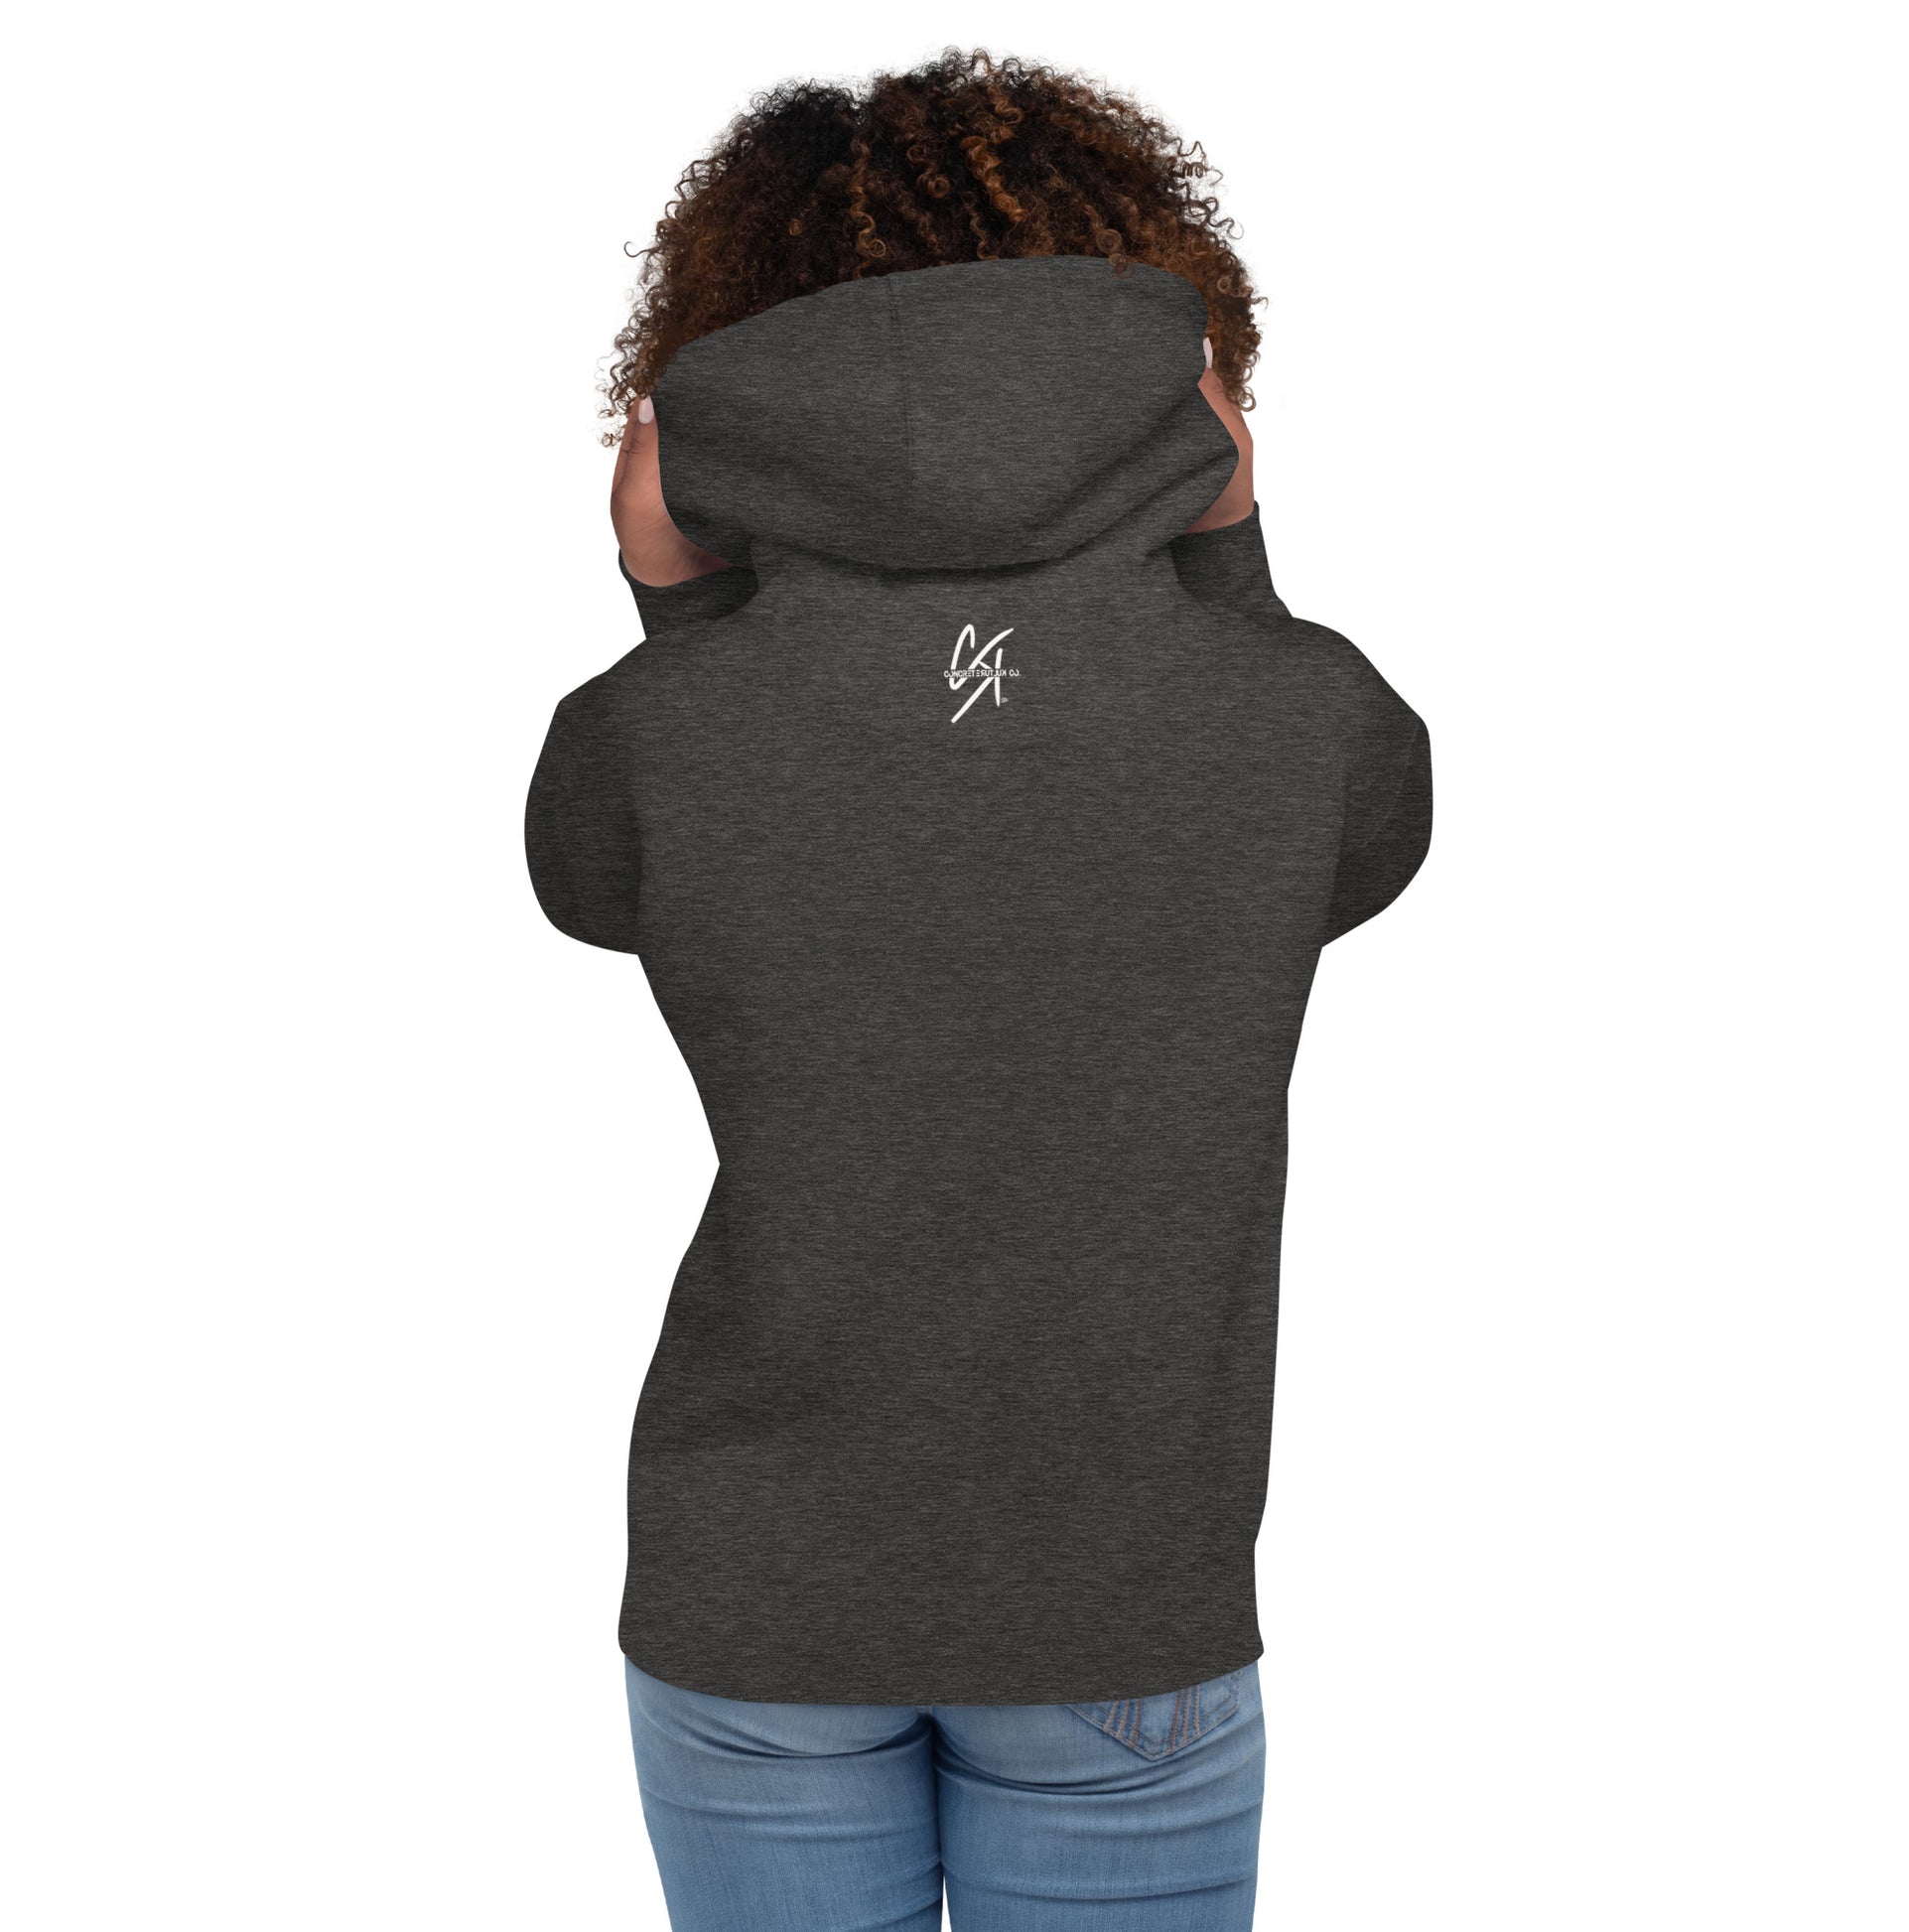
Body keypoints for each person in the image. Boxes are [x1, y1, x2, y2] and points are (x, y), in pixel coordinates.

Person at [526, 49, 1431, 1932]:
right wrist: (1226, 564)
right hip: (1115, 1596)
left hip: (752, 1594)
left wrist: (683, 610)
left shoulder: (648, 731)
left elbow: (599, 884)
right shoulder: (1297, 714)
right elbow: (1356, 847)